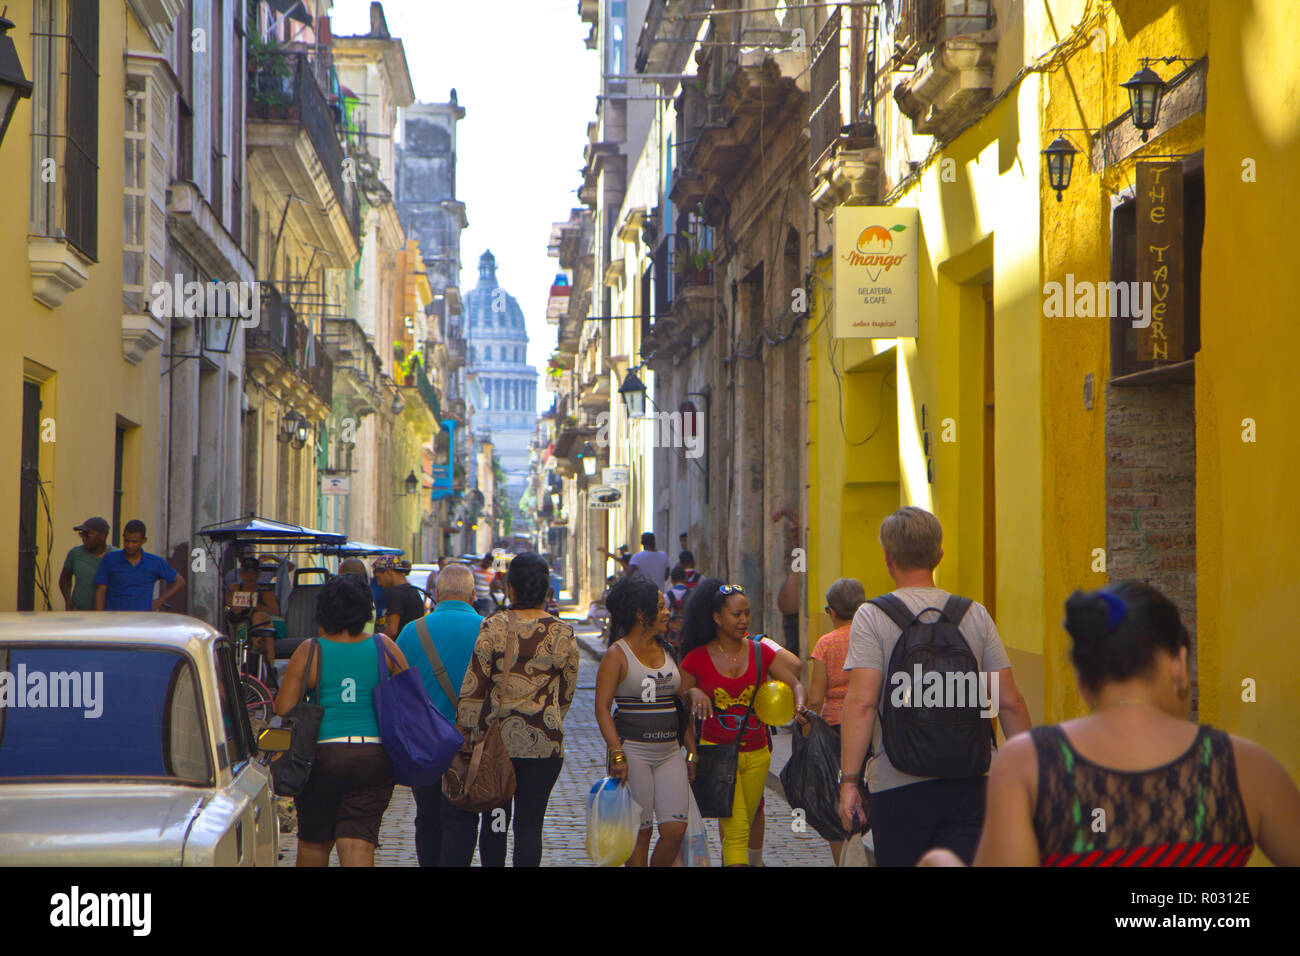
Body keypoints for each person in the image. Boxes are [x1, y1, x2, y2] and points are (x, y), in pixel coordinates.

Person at [919, 581, 1300, 867]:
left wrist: (941, 862)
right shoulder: (1248, 767)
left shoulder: (1027, 765)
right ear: (1179, 664)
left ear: (1084, 683)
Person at [837, 506, 1033, 867]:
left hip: (897, 783)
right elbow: (1010, 703)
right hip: (971, 781)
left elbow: (862, 704)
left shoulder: (872, 616)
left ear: (887, 557)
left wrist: (849, 781)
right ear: (939, 555)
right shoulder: (975, 614)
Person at [451, 552, 579, 866]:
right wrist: (548, 717)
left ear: (510, 589)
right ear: (547, 591)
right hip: (544, 746)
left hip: (496, 746)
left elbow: (473, 688)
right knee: (529, 826)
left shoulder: (493, 627)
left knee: (495, 823)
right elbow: (566, 693)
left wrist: (466, 733)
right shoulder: (563, 633)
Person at [274, 574, 409, 867]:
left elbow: (283, 706)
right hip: (373, 757)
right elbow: (409, 699)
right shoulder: (385, 646)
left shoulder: (310, 650)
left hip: (321, 756)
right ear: (366, 611)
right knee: (358, 846)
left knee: (314, 844)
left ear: (324, 611)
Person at [679, 578, 806, 867]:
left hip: (759, 754)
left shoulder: (762, 652)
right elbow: (678, 701)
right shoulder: (696, 659)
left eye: (747, 613)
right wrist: (692, 691)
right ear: (717, 618)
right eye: (736, 614)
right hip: (718, 754)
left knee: (749, 817)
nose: (744, 620)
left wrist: (799, 702)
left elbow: (795, 681)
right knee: (736, 830)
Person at [594, 575, 696, 867]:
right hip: (633, 753)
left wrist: (691, 751)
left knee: (675, 829)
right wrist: (616, 753)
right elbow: (602, 708)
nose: (668, 612)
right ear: (641, 614)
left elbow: (680, 704)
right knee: (640, 831)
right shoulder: (617, 655)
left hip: (669, 753)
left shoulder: (667, 650)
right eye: (661, 607)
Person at [394, 563, 484, 867]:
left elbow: (399, 686)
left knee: (428, 817)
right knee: (462, 818)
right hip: (469, 743)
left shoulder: (412, 630)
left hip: (425, 742)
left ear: (435, 594)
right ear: (473, 595)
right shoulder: (488, 630)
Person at [807, 577, 866, 863]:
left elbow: (816, 698)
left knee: (836, 800)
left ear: (832, 611)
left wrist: (806, 729)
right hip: (868, 727)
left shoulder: (825, 645)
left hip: (834, 731)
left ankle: (843, 860)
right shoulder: (871, 637)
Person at [92, 519, 185, 612]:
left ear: (144, 540)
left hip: (142, 621)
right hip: (115, 620)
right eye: (126, 541)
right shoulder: (110, 559)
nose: (129, 545)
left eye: (134, 542)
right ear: (123, 537)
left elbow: (179, 582)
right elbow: (101, 590)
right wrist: (101, 618)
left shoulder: (154, 562)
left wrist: (159, 601)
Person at [225, 555, 281, 672]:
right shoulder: (234, 588)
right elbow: (228, 607)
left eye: (252, 573)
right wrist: (236, 608)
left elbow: (276, 612)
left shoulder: (266, 592)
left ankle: (265, 660)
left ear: (258, 574)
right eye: (246, 573)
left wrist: (256, 605)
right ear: (240, 573)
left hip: (267, 626)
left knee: (259, 619)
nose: (249, 576)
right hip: (241, 624)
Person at [60, 517, 116, 610]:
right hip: (79, 613)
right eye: (82, 534)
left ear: (103, 536)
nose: (84, 538)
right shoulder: (75, 554)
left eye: (89, 534)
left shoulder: (115, 555)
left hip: (107, 616)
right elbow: (65, 577)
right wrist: (68, 599)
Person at [380, 558, 426, 638]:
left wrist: (376, 643)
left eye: (378, 577)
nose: (378, 583)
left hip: (400, 647)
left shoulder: (395, 593)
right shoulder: (414, 591)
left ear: (389, 573)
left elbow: (392, 630)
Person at [665, 567, 690, 650]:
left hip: (671, 634)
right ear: (685, 578)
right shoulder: (692, 594)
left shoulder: (666, 596)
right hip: (686, 633)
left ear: (672, 580)